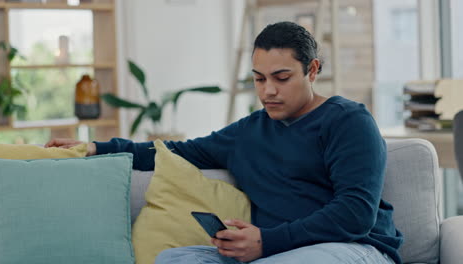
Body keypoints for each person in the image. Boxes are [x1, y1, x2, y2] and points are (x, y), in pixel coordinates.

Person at [46, 21, 403, 264]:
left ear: (312, 70)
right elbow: (176, 153)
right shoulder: (248, 132)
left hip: (352, 249)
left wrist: (266, 241)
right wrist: (95, 148)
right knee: (174, 259)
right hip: (271, 253)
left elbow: (355, 215)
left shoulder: (348, 121)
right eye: (259, 79)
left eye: (281, 77)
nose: (269, 91)